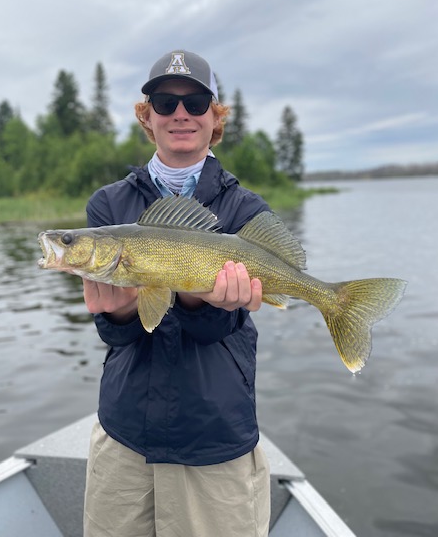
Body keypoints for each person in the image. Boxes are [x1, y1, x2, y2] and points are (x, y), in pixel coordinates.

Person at [82, 49, 271, 537]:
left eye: (197, 101)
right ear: (148, 117)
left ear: (215, 117)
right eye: (165, 102)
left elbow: (220, 327)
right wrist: (117, 316)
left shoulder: (245, 207)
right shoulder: (109, 205)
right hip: (126, 432)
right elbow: (117, 335)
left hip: (214, 436)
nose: (181, 113)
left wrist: (194, 298)